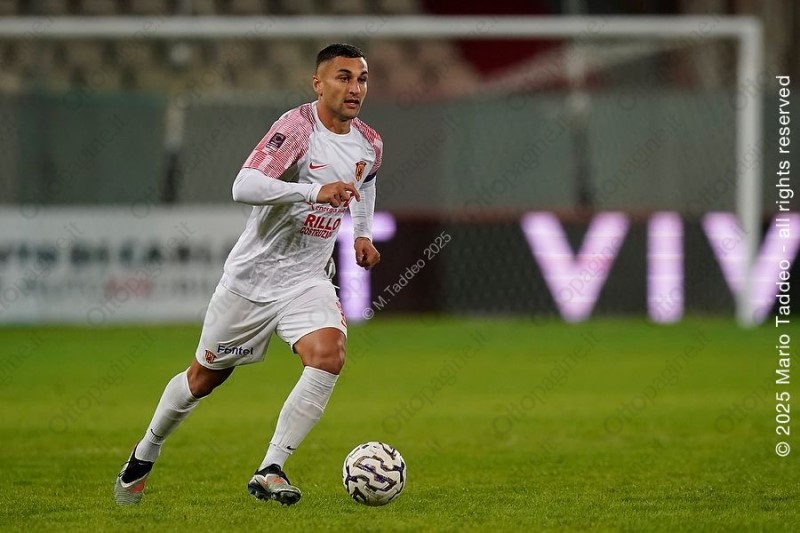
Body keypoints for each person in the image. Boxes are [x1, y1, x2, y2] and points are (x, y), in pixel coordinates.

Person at [114, 43, 382, 506]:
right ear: (318, 84)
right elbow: (244, 185)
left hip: (308, 278)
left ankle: (271, 467)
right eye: (343, 77)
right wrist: (313, 191)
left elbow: (366, 181)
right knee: (203, 379)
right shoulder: (297, 128)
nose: (354, 87)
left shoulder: (370, 142)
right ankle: (145, 451)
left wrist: (362, 233)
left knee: (329, 354)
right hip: (252, 281)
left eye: (361, 78)